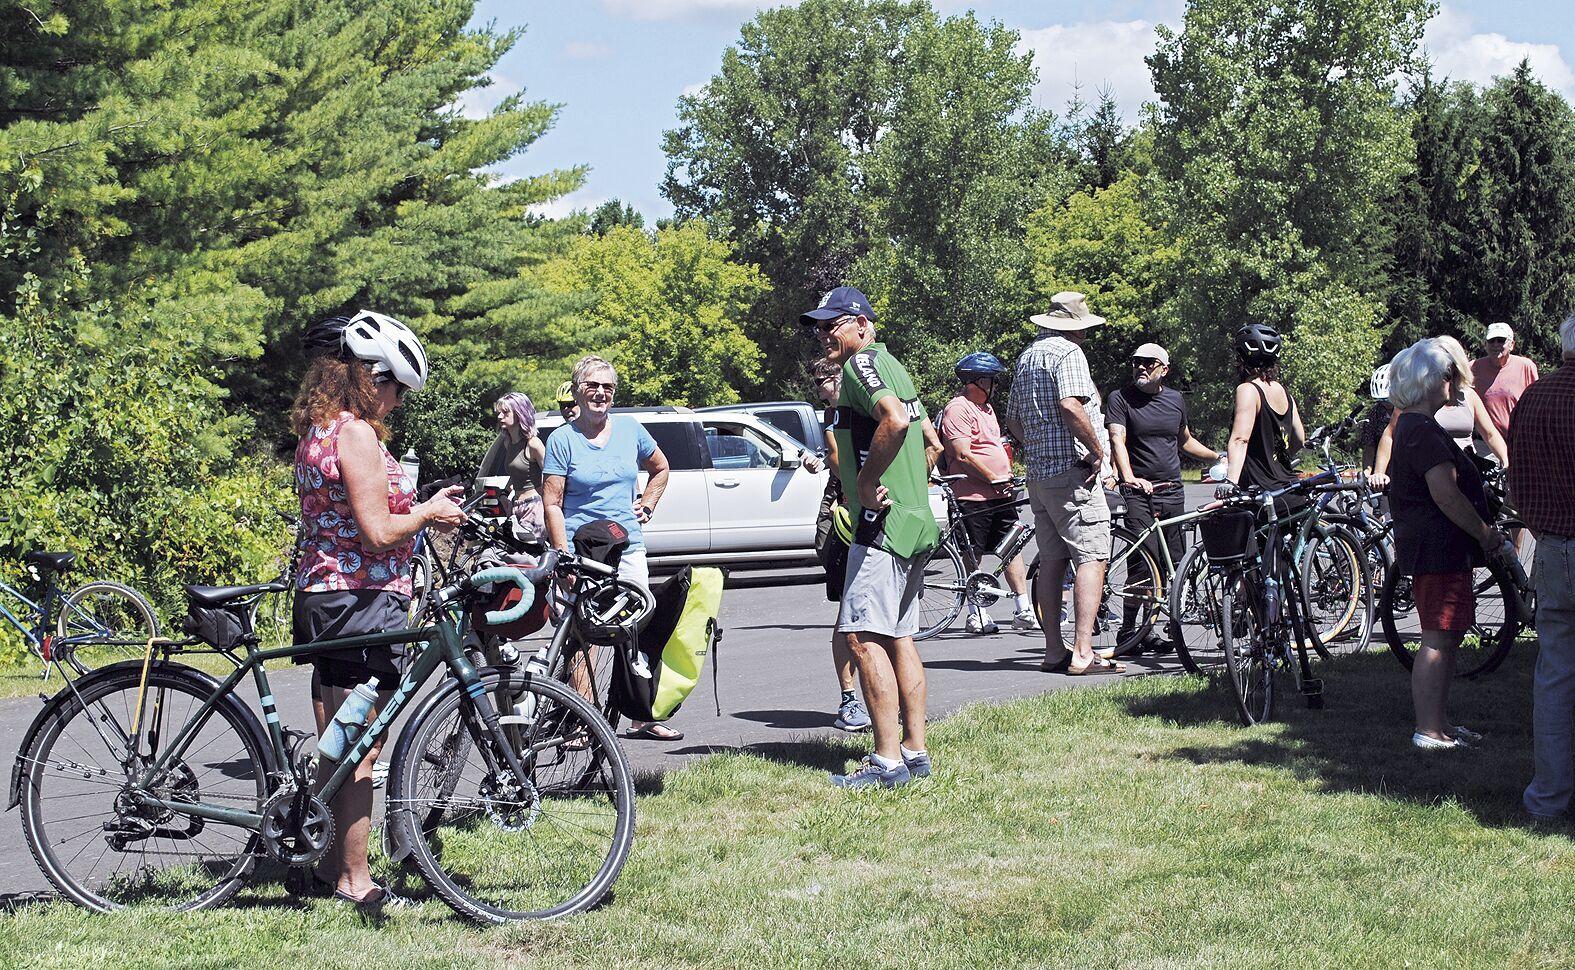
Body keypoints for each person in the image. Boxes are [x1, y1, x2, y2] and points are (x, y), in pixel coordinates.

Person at [290, 310, 465, 910]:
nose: (396, 402)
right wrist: (429, 513)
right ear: (371, 376)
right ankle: (355, 879)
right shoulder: (356, 434)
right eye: (396, 389)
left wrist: (421, 508)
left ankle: (319, 862)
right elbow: (377, 531)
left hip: (326, 596)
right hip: (361, 600)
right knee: (361, 745)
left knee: (338, 744)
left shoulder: (319, 428)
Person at [801, 285, 938, 789]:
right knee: (900, 636)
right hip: (913, 522)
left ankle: (886, 762)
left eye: (832, 324)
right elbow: (931, 443)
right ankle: (915, 752)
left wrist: (864, 482)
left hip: (882, 527)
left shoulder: (862, 366)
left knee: (860, 637)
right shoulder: (893, 365)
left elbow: (896, 421)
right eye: (819, 327)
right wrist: (909, 487)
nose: (824, 334)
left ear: (862, 324)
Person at [541, 355, 677, 741]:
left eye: (608, 387)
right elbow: (552, 502)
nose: (600, 393)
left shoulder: (630, 430)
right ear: (577, 391)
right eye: (592, 386)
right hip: (581, 549)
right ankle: (587, 721)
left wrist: (648, 503)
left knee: (636, 629)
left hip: (626, 545)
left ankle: (641, 715)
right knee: (581, 634)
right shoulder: (562, 439)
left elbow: (661, 468)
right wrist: (563, 556)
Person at [1385, 338, 1506, 750]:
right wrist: (1485, 532)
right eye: (1448, 376)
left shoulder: (1417, 426)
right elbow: (1446, 495)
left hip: (1440, 548)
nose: (1454, 384)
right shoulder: (1421, 430)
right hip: (1436, 548)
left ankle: (1441, 724)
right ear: (1431, 381)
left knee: (1448, 636)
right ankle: (1428, 730)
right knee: (1437, 639)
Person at [1004, 291, 1119, 676]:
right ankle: (1083, 652)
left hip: (1039, 476)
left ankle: (1054, 649)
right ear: (1076, 328)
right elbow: (1071, 405)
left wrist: (1038, 447)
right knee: (1092, 557)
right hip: (1072, 473)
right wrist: (1097, 450)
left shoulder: (1027, 356)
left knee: (1052, 560)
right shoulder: (1069, 353)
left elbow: (1013, 420)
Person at [1105, 342, 1222, 655]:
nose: (1141, 367)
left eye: (1149, 363)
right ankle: (1128, 631)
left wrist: (1217, 457)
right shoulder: (1120, 398)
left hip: (1172, 491)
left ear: (1165, 369)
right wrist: (1128, 477)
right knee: (1143, 564)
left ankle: (1149, 630)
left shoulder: (1174, 399)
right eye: (1136, 362)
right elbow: (1117, 439)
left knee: (1172, 564)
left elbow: (1185, 440)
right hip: (1138, 493)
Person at [1510, 314, 1575, 821]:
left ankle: (1549, 798)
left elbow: (1519, 487)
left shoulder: (1534, 397)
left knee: (1554, 678)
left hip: (1552, 548)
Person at [938, 351, 1036, 634]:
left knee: (1012, 548)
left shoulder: (987, 410)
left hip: (1000, 494)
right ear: (978, 381)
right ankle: (976, 613)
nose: (994, 385)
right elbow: (962, 454)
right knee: (973, 553)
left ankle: (1023, 609)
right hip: (972, 496)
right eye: (992, 380)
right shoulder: (958, 408)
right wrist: (992, 477)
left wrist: (1004, 476)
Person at [810, 357, 870, 733]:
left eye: (824, 380)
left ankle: (886, 699)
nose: (821, 388)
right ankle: (849, 700)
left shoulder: (863, 408)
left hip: (872, 516)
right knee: (849, 615)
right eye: (818, 382)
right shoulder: (833, 418)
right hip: (848, 522)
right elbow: (836, 461)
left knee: (879, 618)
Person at [1370, 335, 1509, 488]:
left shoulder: (1468, 395)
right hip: (1429, 478)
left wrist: (1506, 461)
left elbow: (1490, 434)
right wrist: (1379, 472)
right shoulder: (1416, 395)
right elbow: (1390, 434)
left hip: (1468, 476)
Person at [1219, 323, 1305, 498]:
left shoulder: (1248, 390)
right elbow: (1299, 439)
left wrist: (1230, 482)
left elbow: (1240, 439)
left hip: (1261, 493)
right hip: (1289, 488)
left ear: (1242, 358)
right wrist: (1277, 461)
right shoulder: (1284, 392)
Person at [474, 391, 546, 538]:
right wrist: (504, 494)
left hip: (533, 507)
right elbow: (516, 474)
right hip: (515, 505)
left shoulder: (533, 444)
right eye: (499, 412)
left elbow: (551, 477)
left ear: (519, 414)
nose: (500, 416)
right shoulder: (508, 443)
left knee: (528, 550)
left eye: (505, 412)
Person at [1471, 321, 1540, 445]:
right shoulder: (1473, 368)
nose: (1495, 345)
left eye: (1501, 340)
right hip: (1485, 444)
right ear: (1485, 344)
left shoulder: (1526, 367)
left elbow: (1537, 405)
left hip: (1519, 441)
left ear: (1512, 345)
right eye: (1491, 341)